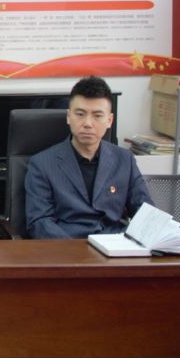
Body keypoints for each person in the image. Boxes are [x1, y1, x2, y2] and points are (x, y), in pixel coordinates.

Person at [25, 75, 153, 238]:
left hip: (115, 246)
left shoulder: (124, 160)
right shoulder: (42, 164)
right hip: (68, 247)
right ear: (68, 116)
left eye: (97, 115)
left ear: (109, 120)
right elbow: (39, 222)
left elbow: (146, 213)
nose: (87, 123)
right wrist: (74, 250)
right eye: (80, 114)